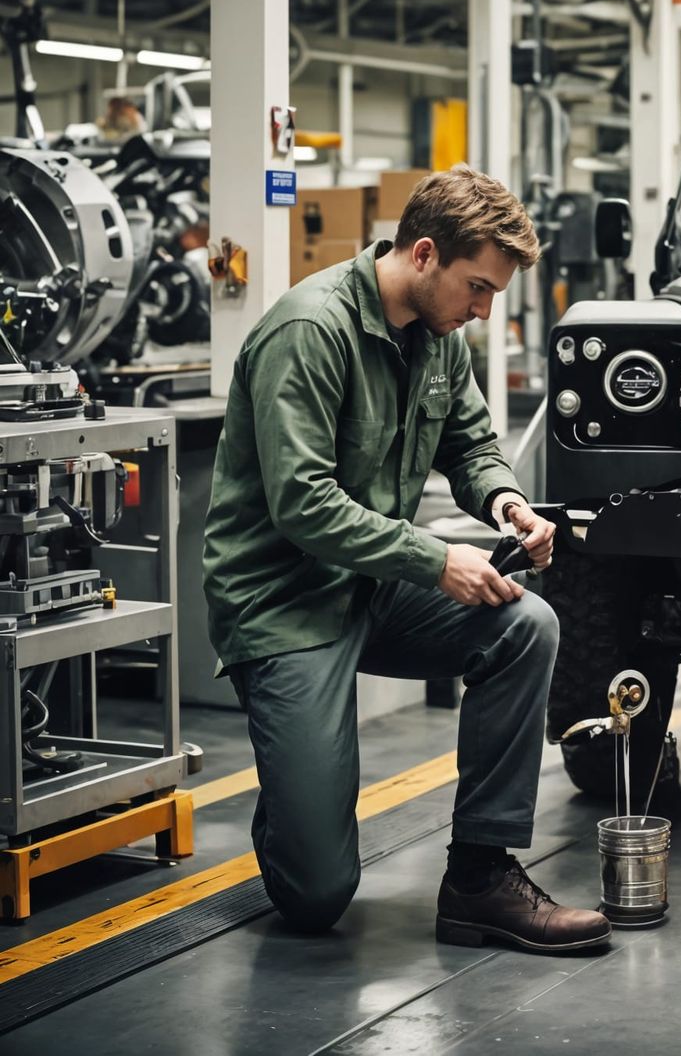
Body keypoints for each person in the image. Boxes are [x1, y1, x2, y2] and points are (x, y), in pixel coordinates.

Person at [204, 166, 610, 953]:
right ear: (424, 254)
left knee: (525, 625)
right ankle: (298, 797)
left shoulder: (437, 337)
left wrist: (505, 503)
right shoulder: (309, 332)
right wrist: (435, 558)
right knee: (316, 898)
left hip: (374, 584)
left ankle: (480, 880)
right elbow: (303, 505)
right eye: (478, 287)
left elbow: (470, 443)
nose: (484, 310)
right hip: (285, 603)